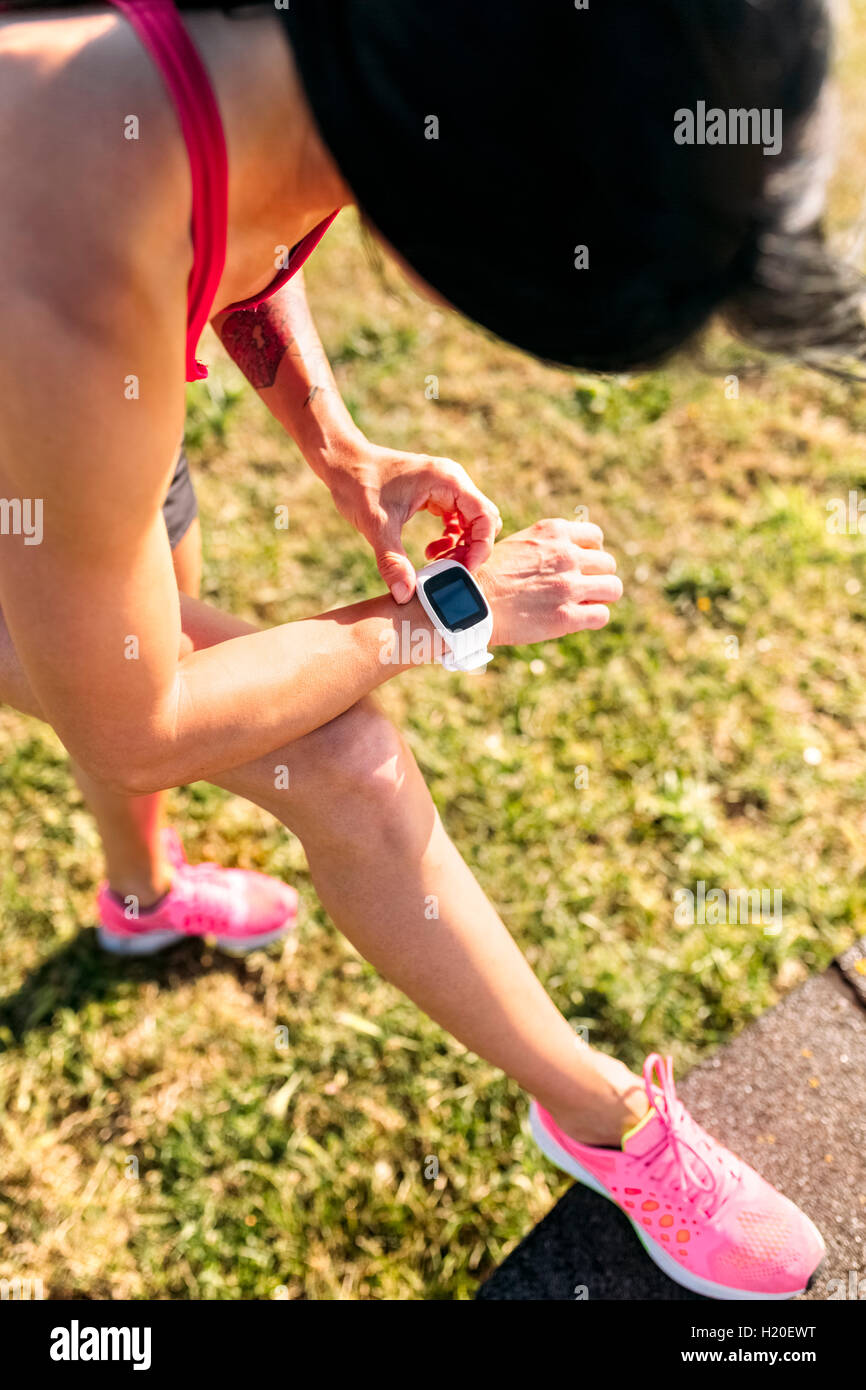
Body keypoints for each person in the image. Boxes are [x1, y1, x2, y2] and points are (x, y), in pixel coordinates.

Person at [0, 0, 854, 1298]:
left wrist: (337, 447)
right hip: (38, 422)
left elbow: (249, 210)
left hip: (73, 431)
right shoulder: (62, 258)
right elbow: (143, 714)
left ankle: (140, 898)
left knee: (148, 609)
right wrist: (451, 616)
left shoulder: (331, 53)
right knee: (337, 753)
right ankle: (604, 1115)